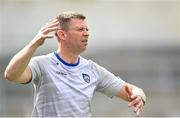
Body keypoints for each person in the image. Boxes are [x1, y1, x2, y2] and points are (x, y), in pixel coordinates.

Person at [4, 11, 146, 117]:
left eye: (87, 29)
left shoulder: (92, 69)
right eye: (80, 30)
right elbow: (11, 75)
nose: (86, 33)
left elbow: (133, 90)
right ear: (62, 35)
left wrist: (139, 96)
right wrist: (34, 44)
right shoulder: (42, 64)